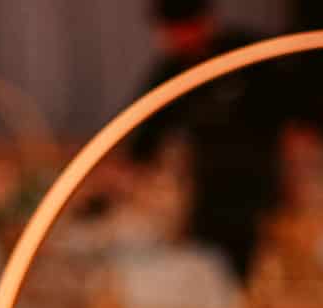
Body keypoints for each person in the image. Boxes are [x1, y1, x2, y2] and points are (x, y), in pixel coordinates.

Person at [128, 0, 300, 285]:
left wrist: (294, 179)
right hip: (207, 188)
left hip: (258, 183)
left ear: (206, 21)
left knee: (261, 268)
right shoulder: (172, 71)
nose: (178, 38)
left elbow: (292, 121)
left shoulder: (245, 54)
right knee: (209, 269)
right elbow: (144, 136)